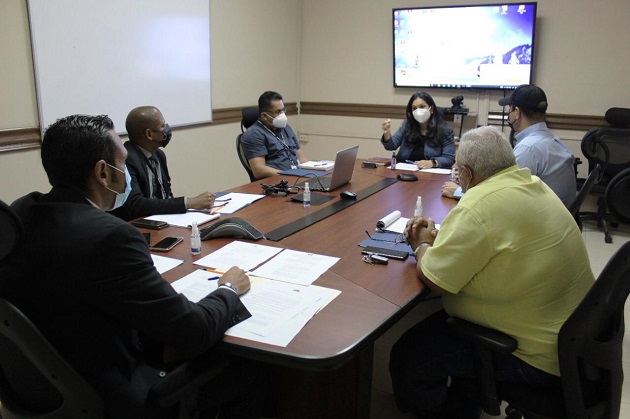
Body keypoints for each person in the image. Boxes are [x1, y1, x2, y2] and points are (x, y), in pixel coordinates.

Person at [0, 115, 267, 418]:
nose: (127, 173)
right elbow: (192, 331)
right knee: (252, 368)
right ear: (103, 172)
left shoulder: (18, 214)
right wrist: (229, 288)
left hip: (32, 390)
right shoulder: (111, 237)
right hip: (109, 398)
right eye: (124, 162)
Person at [389, 126, 594, 418]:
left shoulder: (478, 205)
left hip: (533, 356)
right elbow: (496, 238)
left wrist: (420, 243)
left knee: (408, 355)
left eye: (458, 169)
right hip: (571, 340)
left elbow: (434, 279)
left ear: (468, 174)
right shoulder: (531, 183)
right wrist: (445, 240)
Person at [442, 84, 576, 207]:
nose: (509, 114)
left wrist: (461, 191)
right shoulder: (550, 139)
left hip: (538, 223)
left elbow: (501, 196)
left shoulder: (528, 148)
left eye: (510, 109)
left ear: (517, 112)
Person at [110, 106, 216, 221]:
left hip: (160, 220)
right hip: (137, 224)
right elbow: (136, 204)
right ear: (149, 134)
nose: (167, 129)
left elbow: (166, 194)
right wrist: (189, 202)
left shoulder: (159, 155)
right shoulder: (127, 159)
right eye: (162, 126)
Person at [240, 91, 309, 180]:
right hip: (276, 181)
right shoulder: (253, 134)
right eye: (278, 112)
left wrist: (314, 172)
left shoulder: (285, 127)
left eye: (283, 110)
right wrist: (289, 175)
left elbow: (300, 156)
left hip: (296, 177)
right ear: (264, 116)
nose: (283, 115)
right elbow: (259, 170)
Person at [381, 91, 456, 169]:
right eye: (414, 108)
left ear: (431, 109)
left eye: (422, 106)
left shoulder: (445, 130)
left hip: (430, 173)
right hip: (404, 169)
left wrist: (432, 163)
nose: (418, 111)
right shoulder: (407, 124)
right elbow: (391, 146)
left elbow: (449, 158)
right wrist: (387, 133)